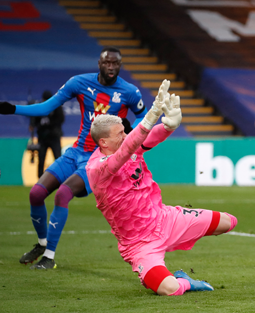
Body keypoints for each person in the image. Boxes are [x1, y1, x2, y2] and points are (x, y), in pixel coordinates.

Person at [0, 46, 147, 269]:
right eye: (107, 62)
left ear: (120, 65)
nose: (111, 67)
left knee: (63, 193)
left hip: (99, 159)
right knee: (36, 193)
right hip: (76, 151)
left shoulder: (129, 92)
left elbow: (144, 118)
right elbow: (46, 108)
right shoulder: (79, 83)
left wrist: (130, 131)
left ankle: (49, 258)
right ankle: (42, 244)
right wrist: (12, 108)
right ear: (99, 64)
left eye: (116, 63)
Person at [86, 80, 238, 296]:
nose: (125, 135)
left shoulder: (127, 146)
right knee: (170, 289)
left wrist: (168, 126)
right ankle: (185, 281)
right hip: (139, 244)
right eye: (119, 133)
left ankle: (181, 252)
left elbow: (145, 140)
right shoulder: (96, 169)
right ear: (103, 143)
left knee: (228, 222)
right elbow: (126, 150)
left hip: (165, 219)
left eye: (124, 131)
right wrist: (150, 115)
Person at [30, 90, 65, 178]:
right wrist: (34, 124)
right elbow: (34, 119)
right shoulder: (40, 107)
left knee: (58, 159)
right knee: (41, 159)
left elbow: (61, 119)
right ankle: (40, 179)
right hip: (43, 138)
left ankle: (60, 177)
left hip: (54, 137)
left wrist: (48, 125)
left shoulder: (57, 107)